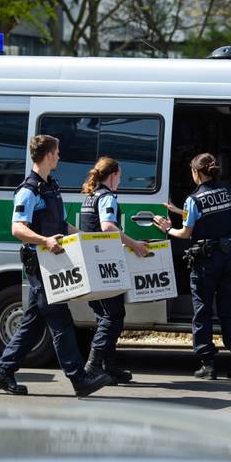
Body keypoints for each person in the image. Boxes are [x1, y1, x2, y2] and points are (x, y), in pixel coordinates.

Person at [0, 135, 112, 397]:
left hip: (51, 262)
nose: (59, 157)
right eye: (57, 153)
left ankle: (3, 371)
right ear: (47, 155)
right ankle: (79, 378)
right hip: (41, 264)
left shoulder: (50, 186)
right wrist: (44, 240)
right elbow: (17, 228)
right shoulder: (29, 190)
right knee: (61, 321)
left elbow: (60, 225)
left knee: (33, 322)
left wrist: (83, 238)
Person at [154, 153, 231, 381]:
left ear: (196, 173)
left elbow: (186, 233)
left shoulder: (194, 199)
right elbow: (211, 216)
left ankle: (208, 364)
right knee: (228, 312)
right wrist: (179, 211)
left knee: (202, 312)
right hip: (229, 258)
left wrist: (167, 228)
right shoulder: (224, 191)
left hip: (206, 261)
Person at [79, 157, 149, 384]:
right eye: (120, 175)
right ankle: (92, 365)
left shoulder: (90, 197)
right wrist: (135, 244)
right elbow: (108, 227)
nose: (120, 179)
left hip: (90, 262)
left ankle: (109, 367)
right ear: (113, 174)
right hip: (103, 266)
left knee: (103, 316)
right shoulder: (107, 197)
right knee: (114, 316)